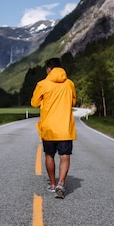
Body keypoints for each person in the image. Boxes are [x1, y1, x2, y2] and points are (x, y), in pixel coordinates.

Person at [31, 57, 76, 199]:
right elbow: (73, 101)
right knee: (65, 156)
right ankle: (61, 183)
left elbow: (34, 103)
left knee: (49, 155)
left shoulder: (42, 84)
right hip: (65, 127)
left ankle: (52, 183)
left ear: (48, 69)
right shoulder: (70, 84)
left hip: (49, 127)